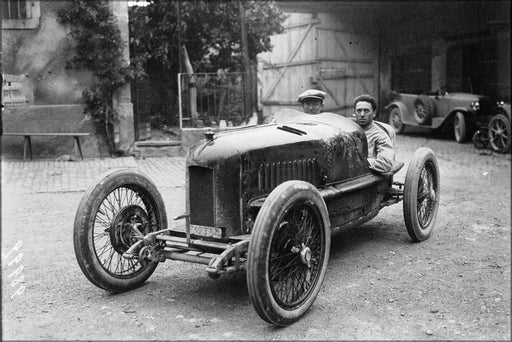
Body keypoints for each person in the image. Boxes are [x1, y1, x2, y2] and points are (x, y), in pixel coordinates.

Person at [353, 94, 394, 174]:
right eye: (359, 110)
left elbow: (386, 163)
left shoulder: (380, 136)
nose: (362, 114)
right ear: (354, 112)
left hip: (366, 176)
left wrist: (360, 162)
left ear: (374, 113)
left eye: (366, 111)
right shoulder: (348, 129)